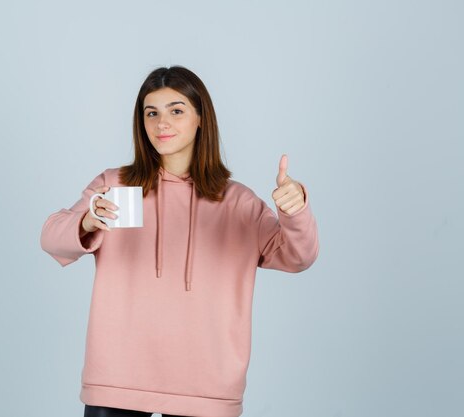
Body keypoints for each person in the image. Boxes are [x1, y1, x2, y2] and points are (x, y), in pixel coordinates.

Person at [40, 66, 319, 417]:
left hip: (208, 385)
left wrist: (294, 212)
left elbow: (298, 256)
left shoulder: (238, 202)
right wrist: (86, 220)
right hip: (117, 379)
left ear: (201, 118)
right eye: (151, 113)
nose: (162, 124)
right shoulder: (117, 186)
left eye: (176, 110)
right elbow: (51, 237)